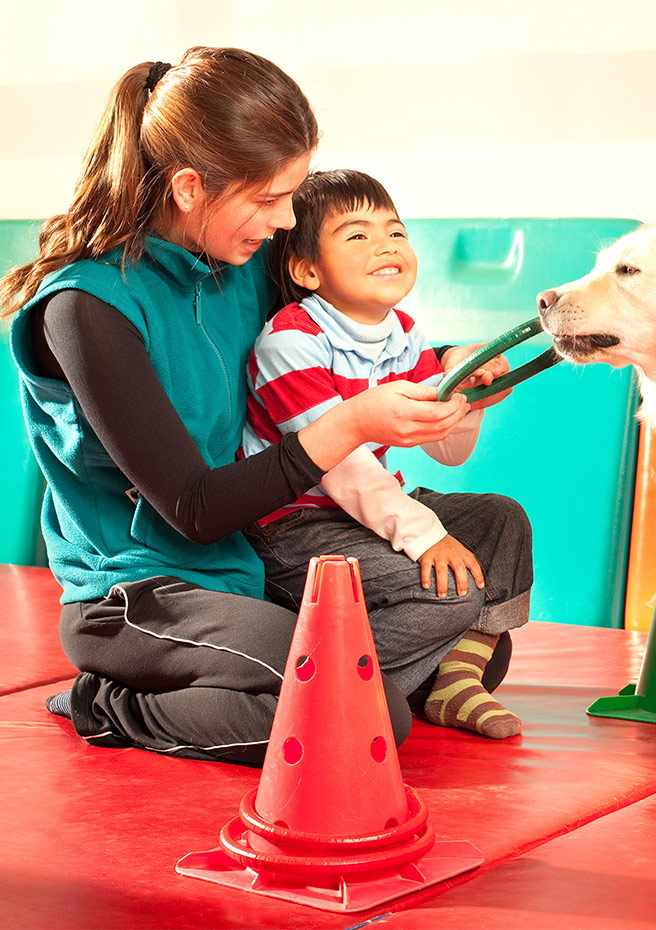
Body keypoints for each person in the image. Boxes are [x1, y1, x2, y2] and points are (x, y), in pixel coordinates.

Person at [0, 47, 516, 766]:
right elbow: (196, 509)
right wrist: (350, 426)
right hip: (144, 595)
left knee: (483, 572)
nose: (285, 223)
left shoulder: (238, 265)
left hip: (257, 566)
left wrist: (457, 367)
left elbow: (349, 325)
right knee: (364, 719)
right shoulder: (87, 309)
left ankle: (361, 679)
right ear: (188, 188)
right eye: (270, 199)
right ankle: (112, 703)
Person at [241, 168, 531, 739]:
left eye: (394, 231)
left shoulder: (404, 332)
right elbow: (338, 466)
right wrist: (425, 536)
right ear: (306, 270)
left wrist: (469, 397)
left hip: (369, 509)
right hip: (296, 526)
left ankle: (455, 680)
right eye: (357, 236)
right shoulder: (290, 341)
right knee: (450, 592)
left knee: (502, 520)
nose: (386, 245)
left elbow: (445, 449)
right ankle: (331, 694)